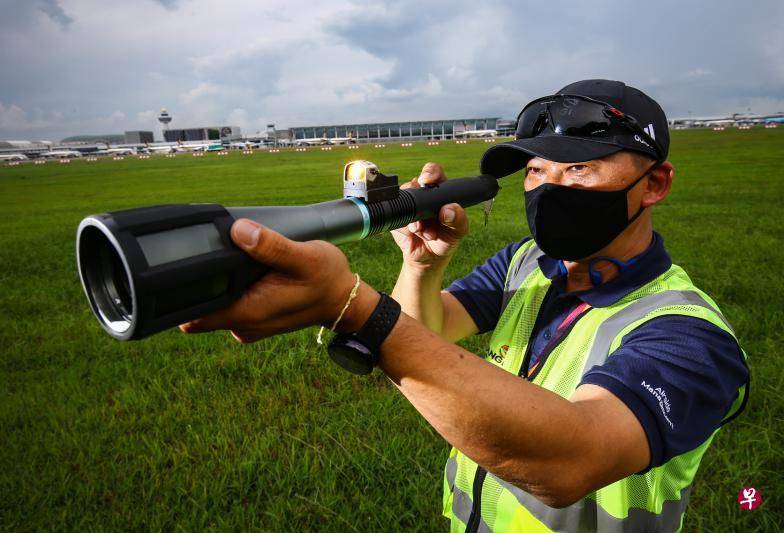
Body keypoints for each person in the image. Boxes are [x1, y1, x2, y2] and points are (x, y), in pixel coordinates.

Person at [180, 79, 749, 532]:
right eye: (535, 170)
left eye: (578, 167)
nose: (549, 187)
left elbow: (569, 461)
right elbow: (424, 331)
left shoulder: (689, 335)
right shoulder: (527, 261)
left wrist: (351, 307)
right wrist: (421, 265)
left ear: (655, 184)